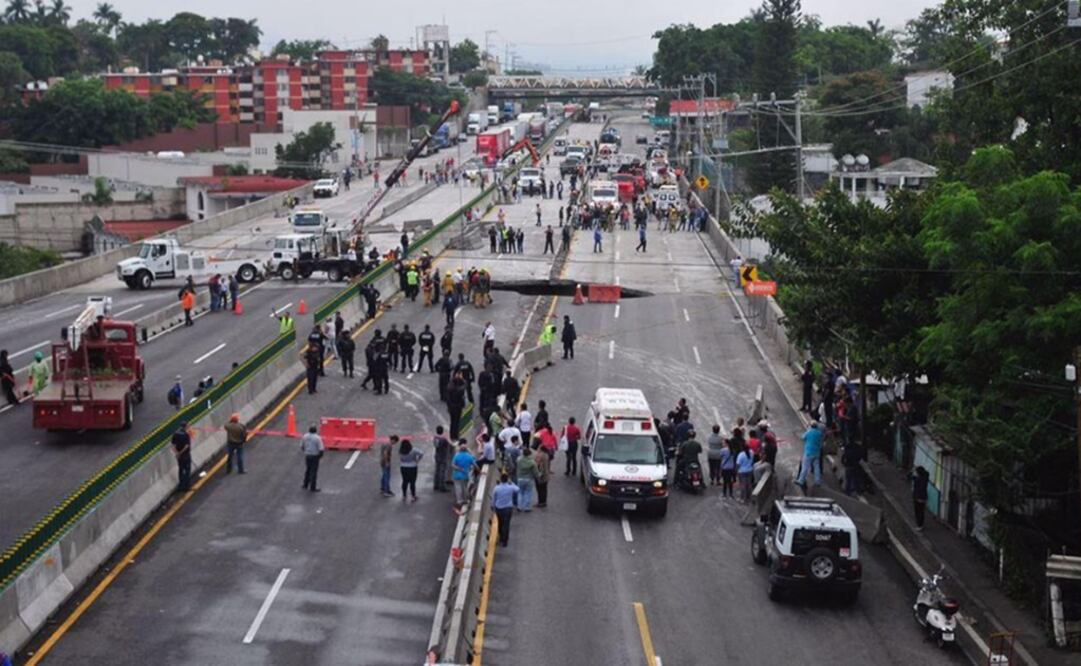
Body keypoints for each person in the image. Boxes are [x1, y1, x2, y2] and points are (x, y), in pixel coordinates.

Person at [491, 473, 519, 547]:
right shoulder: (510, 487)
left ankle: (501, 538)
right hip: (508, 508)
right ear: (507, 479)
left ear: (501, 479)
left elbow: (494, 498)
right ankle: (504, 541)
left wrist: (493, 506)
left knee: (500, 524)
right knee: (506, 524)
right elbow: (517, 489)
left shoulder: (496, 488)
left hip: (499, 508)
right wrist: (512, 483)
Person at [796, 421, 825, 488]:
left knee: (805, 466)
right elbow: (821, 443)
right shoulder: (819, 433)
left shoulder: (809, 432)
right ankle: (818, 481)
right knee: (817, 467)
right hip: (817, 452)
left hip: (809, 452)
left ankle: (801, 480)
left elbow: (803, 437)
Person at [301, 425, 324, 492]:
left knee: (308, 470)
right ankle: (312, 487)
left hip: (307, 455)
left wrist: (306, 451)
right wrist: (320, 456)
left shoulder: (305, 436)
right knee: (313, 472)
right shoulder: (317, 438)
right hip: (314, 456)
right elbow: (321, 448)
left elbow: (302, 446)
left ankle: (305, 484)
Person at [452, 442, 476, 506]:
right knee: (465, 488)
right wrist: (480, 471)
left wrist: (459, 468)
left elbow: (453, 465)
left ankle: (459, 501)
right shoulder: (469, 456)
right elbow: (474, 464)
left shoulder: (456, 456)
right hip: (465, 475)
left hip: (457, 475)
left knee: (458, 488)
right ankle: (465, 499)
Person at [515, 446, 538, 512]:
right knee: (528, 493)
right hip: (529, 479)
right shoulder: (532, 462)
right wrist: (538, 476)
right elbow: (535, 472)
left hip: (520, 478)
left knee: (520, 492)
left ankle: (519, 506)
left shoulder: (519, 460)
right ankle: (527, 507)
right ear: (529, 454)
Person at [171, 422, 192, 492]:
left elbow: (173, 446)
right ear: (185, 427)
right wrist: (181, 452)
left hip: (179, 456)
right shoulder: (186, 435)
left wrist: (177, 453)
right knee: (187, 470)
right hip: (185, 455)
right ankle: (187, 486)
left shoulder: (175, 434)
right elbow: (186, 446)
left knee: (180, 470)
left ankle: (181, 486)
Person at [447, 372, 467, 439]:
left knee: (453, 422)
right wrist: (461, 379)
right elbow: (464, 385)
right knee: (456, 422)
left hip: (452, 407)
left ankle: (452, 435)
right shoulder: (459, 390)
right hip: (457, 407)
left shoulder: (450, 387)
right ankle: (455, 435)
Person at [911, 466, 930, 530]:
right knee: (921, 511)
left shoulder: (919, 479)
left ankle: (919, 525)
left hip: (918, 497)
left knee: (918, 512)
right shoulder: (924, 478)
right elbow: (927, 473)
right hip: (923, 497)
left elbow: (910, 477)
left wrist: (912, 471)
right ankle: (920, 525)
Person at [433, 426, 451, 492]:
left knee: (437, 470)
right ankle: (442, 486)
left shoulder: (435, 438)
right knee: (443, 471)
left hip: (437, 455)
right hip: (443, 456)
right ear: (442, 431)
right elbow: (449, 445)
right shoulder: (444, 439)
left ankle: (436, 484)